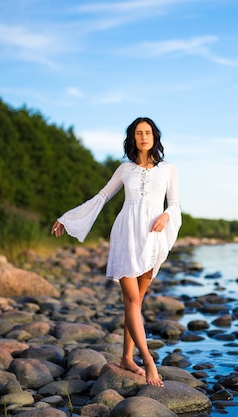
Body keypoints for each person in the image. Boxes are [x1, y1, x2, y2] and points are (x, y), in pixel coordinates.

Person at [51, 117, 181, 387]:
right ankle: (148, 362)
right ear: (132, 138)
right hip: (126, 235)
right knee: (133, 302)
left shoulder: (168, 169)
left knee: (135, 303)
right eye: (138, 133)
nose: (143, 136)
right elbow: (101, 197)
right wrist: (68, 217)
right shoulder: (124, 169)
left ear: (155, 137)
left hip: (152, 237)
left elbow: (176, 204)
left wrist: (167, 216)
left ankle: (125, 358)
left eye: (147, 132)